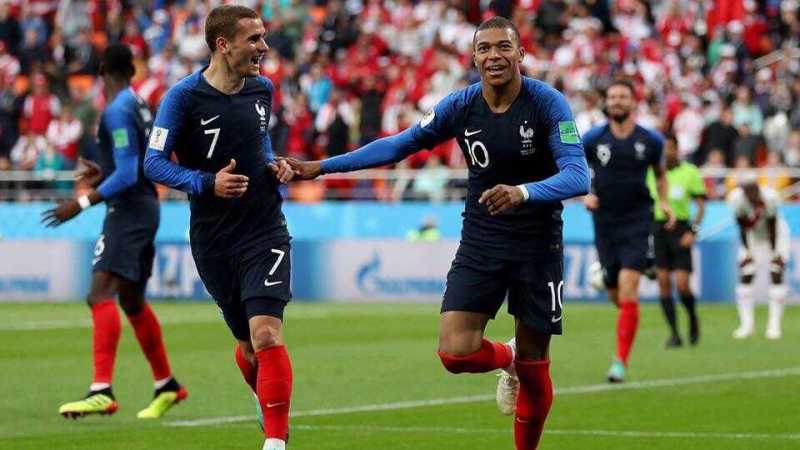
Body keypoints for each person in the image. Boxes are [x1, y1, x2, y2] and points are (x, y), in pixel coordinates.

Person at [284, 17, 590, 450]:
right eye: (484, 48)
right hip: (482, 240)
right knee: (455, 353)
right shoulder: (461, 106)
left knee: (536, 364)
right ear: (473, 58)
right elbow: (398, 145)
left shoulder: (547, 103)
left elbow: (578, 176)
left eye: (503, 47)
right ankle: (507, 358)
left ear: (521, 54)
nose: (494, 56)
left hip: (538, 244)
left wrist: (522, 192)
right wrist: (321, 167)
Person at [142, 6, 295, 450]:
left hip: (264, 227)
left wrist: (274, 164)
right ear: (223, 45)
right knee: (248, 346)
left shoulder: (263, 89)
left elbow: (260, 140)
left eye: (263, 37)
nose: (264, 47)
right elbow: (153, 162)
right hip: (213, 238)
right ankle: (264, 397)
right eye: (254, 39)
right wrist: (207, 183)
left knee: (266, 333)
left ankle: (275, 442)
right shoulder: (182, 97)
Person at [42, 43, 187, 419]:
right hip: (144, 207)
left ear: (102, 70)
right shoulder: (137, 104)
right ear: (132, 71)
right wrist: (103, 173)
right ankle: (167, 385)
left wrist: (80, 203)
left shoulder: (117, 110)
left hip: (128, 212)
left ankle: (101, 389)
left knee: (99, 293)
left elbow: (127, 173)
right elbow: (135, 163)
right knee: (132, 302)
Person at [582, 79, 675, 383]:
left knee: (628, 288)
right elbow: (574, 168)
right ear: (606, 102)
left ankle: (620, 362)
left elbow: (660, 175)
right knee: (616, 293)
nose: (617, 101)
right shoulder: (593, 138)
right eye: (612, 96)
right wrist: (585, 194)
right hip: (604, 221)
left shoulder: (651, 140)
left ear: (633, 102)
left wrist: (664, 202)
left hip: (637, 220)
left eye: (623, 96)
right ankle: (622, 275)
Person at [646, 134, 705, 347]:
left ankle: (692, 317)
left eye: (670, 148)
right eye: (664, 149)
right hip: (658, 229)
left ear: (677, 150)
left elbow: (701, 206)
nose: (666, 153)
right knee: (663, 282)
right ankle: (674, 334)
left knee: (682, 285)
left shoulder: (690, 172)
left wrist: (692, 231)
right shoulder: (652, 172)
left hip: (680, 230)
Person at [727, 173, 789, 340]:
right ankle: (747, 325)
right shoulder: (736, 199)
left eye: (753, 189)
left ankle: (774, 325)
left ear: (757, 187)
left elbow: (772, 225)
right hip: (753, 236)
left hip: (777, 235)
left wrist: (775, 253)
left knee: (776, 272)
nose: (751, 193)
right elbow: (742, 227)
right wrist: (748, 252)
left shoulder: (770, 197)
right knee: (746, 273)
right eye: (747, 190)